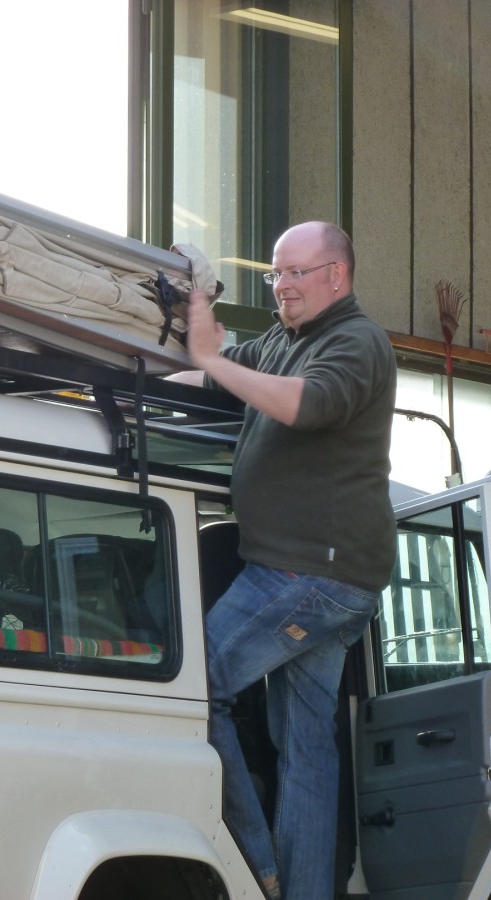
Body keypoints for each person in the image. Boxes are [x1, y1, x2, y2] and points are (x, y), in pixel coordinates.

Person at [176, 221, 396, 899]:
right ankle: (298, 889)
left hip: (310, 574)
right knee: (304, 747)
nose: (285, 287)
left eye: (297, 274)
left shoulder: (356, 343)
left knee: (194, 686)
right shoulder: (280, 340)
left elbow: (305, 405)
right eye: (276, 274)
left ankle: (254, 867)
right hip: (314, 575)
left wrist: (216, 360)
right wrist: (194, 318)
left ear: (338, 274)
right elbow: (213, 375)